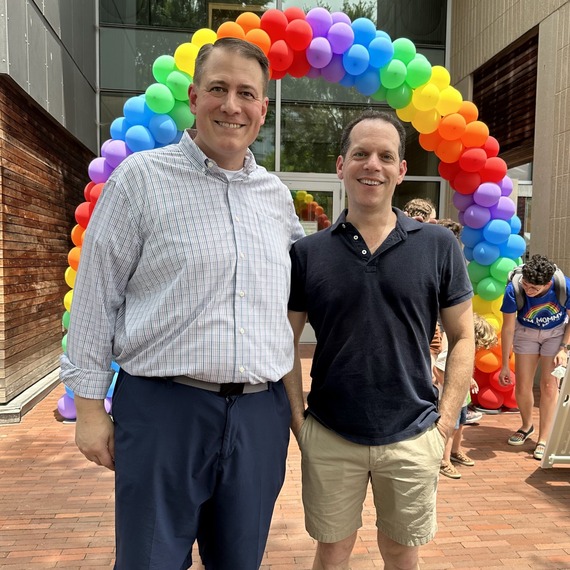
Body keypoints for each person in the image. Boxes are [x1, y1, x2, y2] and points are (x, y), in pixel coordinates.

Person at [60, 38, 305, 569]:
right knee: (150, 561)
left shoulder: (277, 199)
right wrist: (87, 410)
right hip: (162, 410)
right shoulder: (140, 181)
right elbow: (96, 296)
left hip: (260, 417)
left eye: (246, 93)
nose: (231, 105)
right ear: (193, 97)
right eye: (218, 89)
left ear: (263, 109)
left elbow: (290, 307)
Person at [285, 110, 475, 570]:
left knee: (402, 554)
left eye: (386, 156)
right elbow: (284, 342)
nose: (373, 164)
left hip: (414, 433)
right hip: (331, 433)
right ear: (340, 165)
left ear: (401, 169)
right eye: (361, 154)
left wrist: (445, 423)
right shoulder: (308, 253)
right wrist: (299, 422)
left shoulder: (437, 245)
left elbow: (464, 334)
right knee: (331, 553)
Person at [499, 254, 570, 460]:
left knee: (550, 386)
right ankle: (526, 425)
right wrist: (504, 364)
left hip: (556, 333)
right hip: (526, 333)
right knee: (522, 385)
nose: (528, 290)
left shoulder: (562, 286)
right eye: (526, 285)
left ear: (547, 284)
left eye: (534, 289)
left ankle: (544, 438)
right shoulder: (514, 289)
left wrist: (564, 348)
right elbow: (508, 328)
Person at [435, 313, 497, 479]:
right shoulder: (453, 347)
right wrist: (450, 388)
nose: (478, 349)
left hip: (463, 396)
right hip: (453, 396)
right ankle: (444, 460)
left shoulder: (467, 348)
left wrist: (468, 379)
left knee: (461, 424)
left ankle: (455, 451)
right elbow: (439, 368)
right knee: (451, 428)